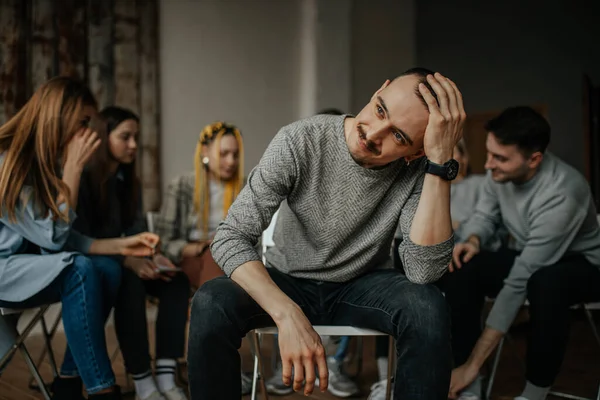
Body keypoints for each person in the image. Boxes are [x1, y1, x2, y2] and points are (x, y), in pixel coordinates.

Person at [187, 68, 467, 400]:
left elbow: (424, 271)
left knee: (427, 307)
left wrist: (439, 163)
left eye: (399, 137)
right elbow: (230, 236)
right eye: (380, 109)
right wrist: (287, 313)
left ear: (416, 152)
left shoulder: (421, 168)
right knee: (210, 301)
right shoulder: (300, 139)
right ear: (382, 87)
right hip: (286, 279)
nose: (374, 133)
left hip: (360, 285)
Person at [0, 77, 158, 400]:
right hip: (4, 270)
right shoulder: (7, 161)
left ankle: (69, 382)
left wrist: (120, 246)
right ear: (60, 115)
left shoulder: (38, 162)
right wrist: (72, 169)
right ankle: (103, 389)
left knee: (108, 270)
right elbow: (54, 239)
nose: (88, 133)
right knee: (80, 270)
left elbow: (60, 239)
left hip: (25, 265)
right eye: (83, 122)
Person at [442, 107, 600, 400]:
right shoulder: (498, 173)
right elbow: (485, 215)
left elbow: (519, 281)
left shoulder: (563, 192)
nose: (488, 165)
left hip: (585, 265)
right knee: (463, 265)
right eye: (489, 153)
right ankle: (470, 388)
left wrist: (473, 364)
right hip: (532, 254)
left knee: (546, 283)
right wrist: (474, 240)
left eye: (500, 158)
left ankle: (533, 392)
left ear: (534, 159)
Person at [74, 106, 191, 400]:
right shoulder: (83, 180)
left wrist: (153, 257)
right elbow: (83, 240)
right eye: (125, 137)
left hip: (129, 261)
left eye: (136, 137)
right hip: (98, 268)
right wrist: (128, 261)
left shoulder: (128, 181)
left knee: (176, 280)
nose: (134, 145)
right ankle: (142, 381)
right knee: (130, 282)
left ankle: (166, 374)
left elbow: (137, 230)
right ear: (103, 136)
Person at [154, 121, 253, 395]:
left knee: (221, 255)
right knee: (215, 260)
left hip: (230, 258)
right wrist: (196, 247)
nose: (231, 161)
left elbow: (253, 235)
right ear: (205, 152)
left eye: (236, 154)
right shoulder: (183, 185)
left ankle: (209, 367)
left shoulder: (245, 187)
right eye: (224, 154)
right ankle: (219, 368)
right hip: (191, 256)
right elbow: (164, 239)